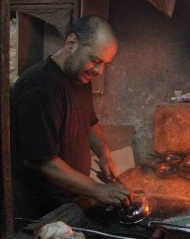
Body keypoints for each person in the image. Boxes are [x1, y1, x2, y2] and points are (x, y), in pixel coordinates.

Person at [10, 15, 133, 219]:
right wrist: (96, 189)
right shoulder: (40, 87)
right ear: (71, 43)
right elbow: (41, 162)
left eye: (105, 64)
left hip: (70, 199)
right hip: (41, 210)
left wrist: (104, 153)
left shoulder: (80, 77)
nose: (99, 71)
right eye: (95, 60)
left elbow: (90, 122)